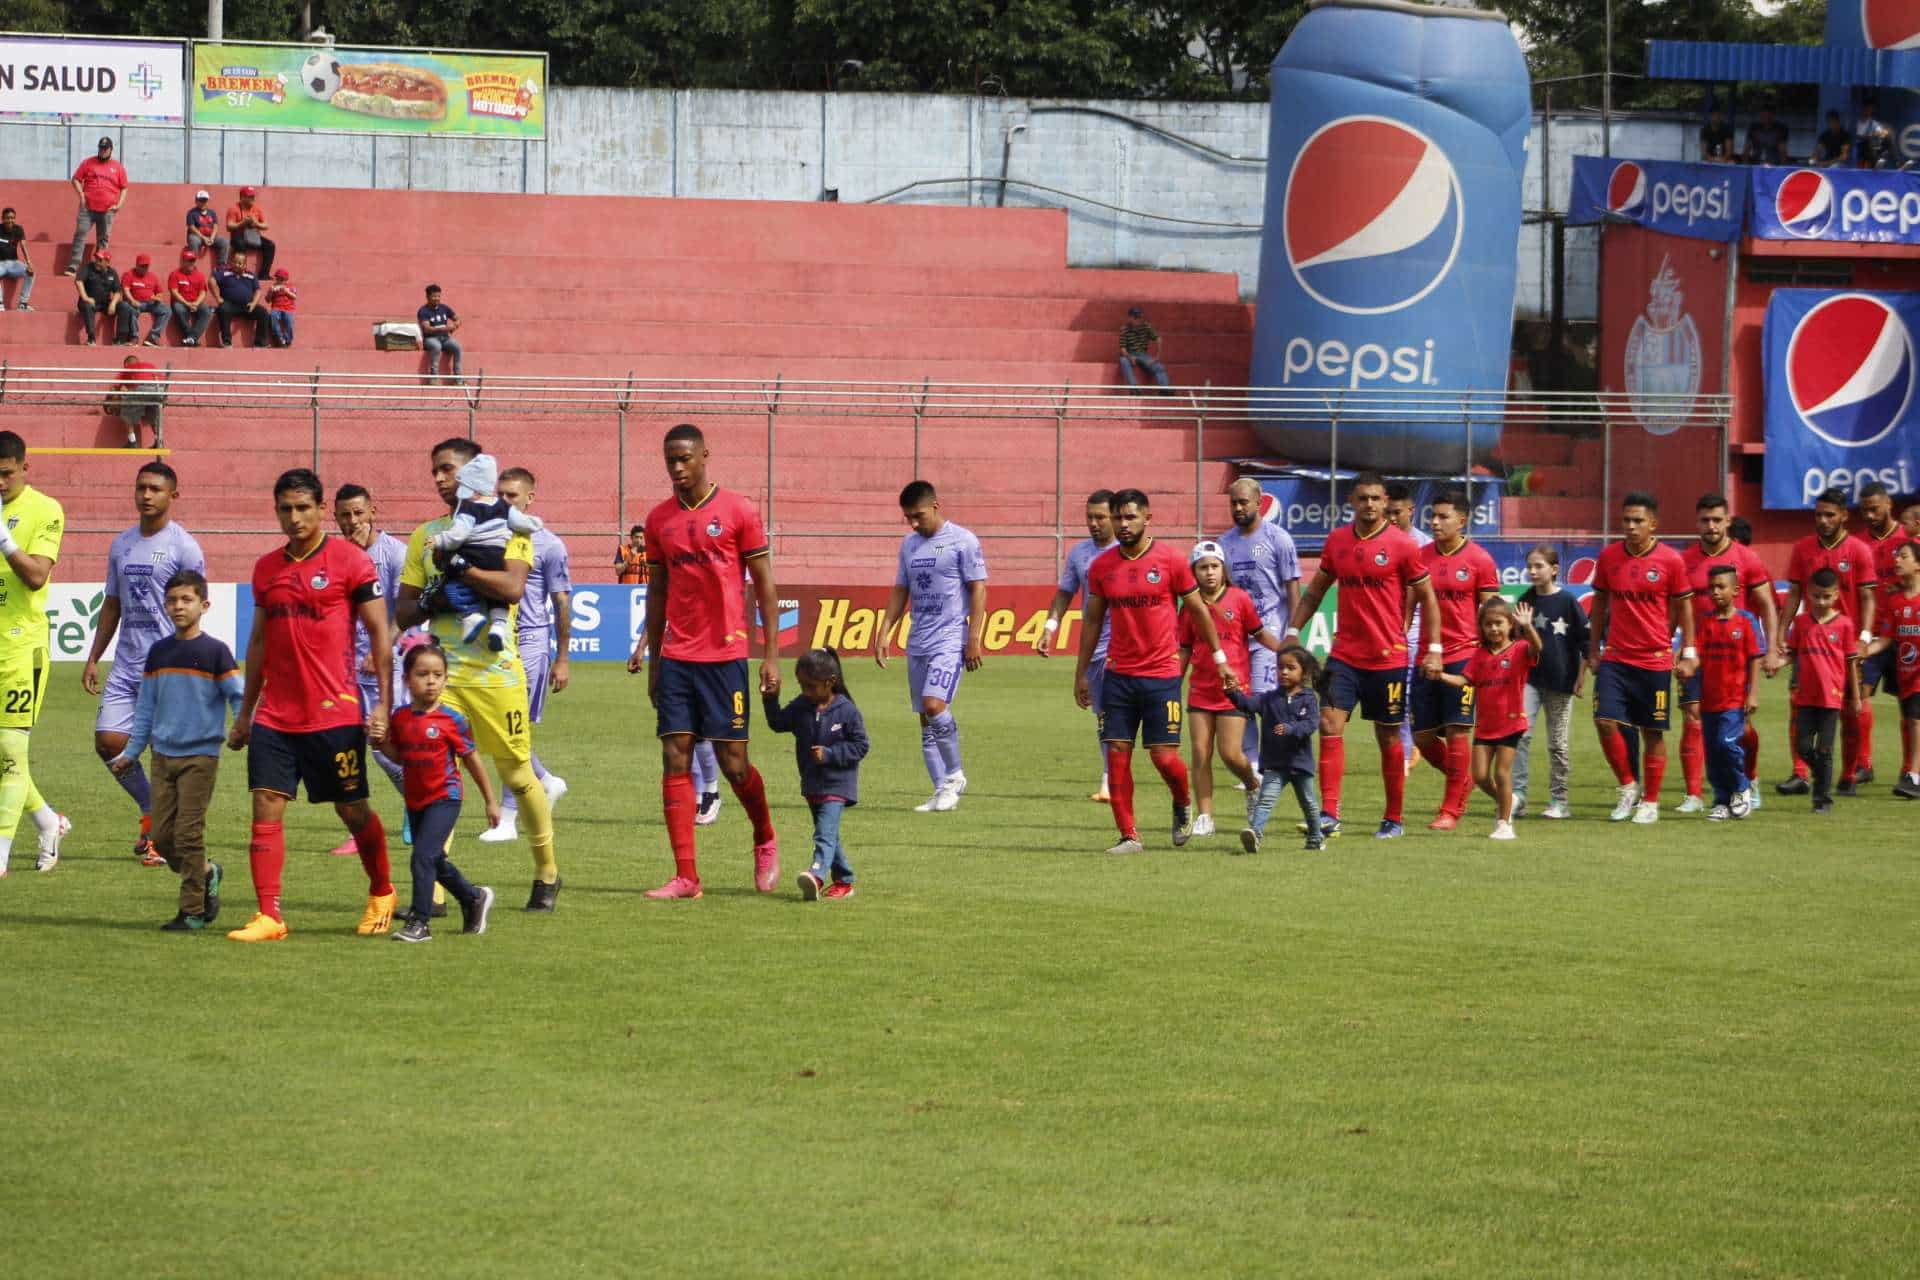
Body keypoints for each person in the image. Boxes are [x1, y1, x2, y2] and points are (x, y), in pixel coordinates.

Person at [224, 468, 396, 942]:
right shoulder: (266, 569)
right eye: (285, 509)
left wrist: (382, 704)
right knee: (265, 804)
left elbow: (381, 634)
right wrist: (245, 714)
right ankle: (269, 915)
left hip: (334, 713)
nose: (294, 517)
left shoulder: (351, 561)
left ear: (322, 509)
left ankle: (382, 891)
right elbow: (257, 642)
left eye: (303, 508)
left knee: (352, 810)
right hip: (275, 715)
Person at [396, 438, 562, 910]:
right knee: (431, 772)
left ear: (474, 475)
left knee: (518, 775)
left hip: (497, 673)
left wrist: (459, 570)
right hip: (440, 679)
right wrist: (436, 598)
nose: (439, 479)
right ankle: (432, 891)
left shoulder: (509, 525)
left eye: (447, 469)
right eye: (435, 471)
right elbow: (406, 609)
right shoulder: (426, 534)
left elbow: (510, 588)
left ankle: (547, 871)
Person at [633, 423, 782, 899]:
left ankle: (764, 836)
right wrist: (655, 657)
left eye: (685, 459)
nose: (677, 468)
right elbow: (657, 591)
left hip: (725, 655)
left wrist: (771, 655)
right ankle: (687, 877)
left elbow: (764, 585)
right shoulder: (658, 521)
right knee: (674, 753)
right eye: (670, 460)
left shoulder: (738, 510)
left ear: (704, 456)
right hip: (677, 654)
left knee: (734, 763)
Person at [1074, 488, 1235, 854]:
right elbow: (1092, 622)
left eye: (1130, 517)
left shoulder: (1171, 561)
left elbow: (1198, 611)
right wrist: (1081, 672)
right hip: (1118, 675)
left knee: (1163, 756)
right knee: (1116, 750)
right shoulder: (1101, 567)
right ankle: (1129, 835)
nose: (1123, 524)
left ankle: (1181, 802)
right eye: (1118, 518)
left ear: (1149, 518)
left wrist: (1220, 657)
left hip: (1162, 675)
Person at [1289, 472, 1442, 839]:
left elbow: (1428, 598)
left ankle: (1393, 818)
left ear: (1385, 501)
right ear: (1351, 501)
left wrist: (1433, 648)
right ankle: (1328, 814)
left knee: (1388, 738)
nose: (1370, 504)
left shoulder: (1403, 545)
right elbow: (1315, 592)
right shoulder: (1338, 541)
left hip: (1388, 658)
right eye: (1363, 498)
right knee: (1328, 724)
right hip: (1344, 655)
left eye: (1376, 498)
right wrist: (1293, 632)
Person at [81, 462, 205, 865]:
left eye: (155, 488)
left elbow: (192, 606)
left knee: (167, 755)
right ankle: (151, 809)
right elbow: (113, 603)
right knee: (109, 742)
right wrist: (94, 656)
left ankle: (161, 837)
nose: (146, 495)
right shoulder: (121, 544)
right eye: (141, 488)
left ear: (173, 495)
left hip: (169, 665)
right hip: (127, 664)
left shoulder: (184, 546)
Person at [107, 571, 241, 930]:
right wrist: (132, 752)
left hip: (201, 757)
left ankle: (193, 911)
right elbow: (146, 709)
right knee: (163, 840)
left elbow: (237, 695)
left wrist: (241, 728)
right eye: (172, 600)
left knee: (188, 833)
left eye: (186, 600)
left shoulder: (216, 652)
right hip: (162, 756)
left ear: (204, 605)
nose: (178, 606)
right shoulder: (159, 653)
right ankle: (208, 872)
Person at [1587, 492, 1698, 825]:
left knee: (1652, 732)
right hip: (1616, 658)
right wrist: (1593, 649)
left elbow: (1685, 607)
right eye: (1626, 520)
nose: (1631, 527)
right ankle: (1628, 786)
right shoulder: (1609, 557)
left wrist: (1689, 652)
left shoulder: (1671, 561)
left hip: (1655, 660)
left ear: (1653, 523)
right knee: (1604, 721)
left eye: (1638, 521)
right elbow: (1600, 606)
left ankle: (1650, 800)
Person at [877, 480, 987, 813]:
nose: (913, 523)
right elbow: (900, 590)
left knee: (934, 704)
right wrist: (885, 631)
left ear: (935, 506)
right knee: (925, 720)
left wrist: (974, 638)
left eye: (918, 515)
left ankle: (955, 776)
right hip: (918, 640)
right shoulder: (909, 546)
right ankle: (941, 790)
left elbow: (979, 589)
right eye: (908, 517)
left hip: (950, 638)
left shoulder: (962, 541)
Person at [478, 466, 571, 844]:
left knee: (512, 731)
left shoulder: (548, 545)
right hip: (495, 643)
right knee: (500, 730)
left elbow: (561, 601)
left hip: (530, 642)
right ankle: (546, 781)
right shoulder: (488, 539)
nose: (504, 502)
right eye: (500, 495)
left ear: (530, 498)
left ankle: (508, 820)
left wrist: (562, 658)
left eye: (512, 496)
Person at [386, 642, 499, 944]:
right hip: (416, 798)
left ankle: (419, 923)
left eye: (438, 674)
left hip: (445, 797)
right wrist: (377, 742)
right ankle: (473, 897)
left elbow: (472, 759)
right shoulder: (400, 718)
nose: (431, 680)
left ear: (446, 679)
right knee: (432, 860)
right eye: (423, 674)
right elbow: (400, 756)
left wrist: (490, 801)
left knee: (421, 857)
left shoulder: (452, 720)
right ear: (407, 679)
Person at [1676, 493, 1780, 814]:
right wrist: (1672, 647)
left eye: (1716, 520)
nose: (1711, 526)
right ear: (1697, 523)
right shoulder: (1685, 560)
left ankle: (1750, 778)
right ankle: (1695, 794)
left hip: (1735, 660)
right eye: (1705, 520)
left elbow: (1767, 607)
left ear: (1727, 521)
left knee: (1740, 729)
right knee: (1693, 719)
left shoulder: (1747, 559)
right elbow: (1676, 606)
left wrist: (1772, 648)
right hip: (1698, 653)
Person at [0, 432, 72, 876]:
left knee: (10, 749)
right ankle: (48, 821)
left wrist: (6, 543)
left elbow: (36, 577)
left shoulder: (45, 510)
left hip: (21, 650)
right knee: (6, 756)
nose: (0, 483)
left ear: (25, 468)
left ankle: (1, 853)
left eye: (6, 474)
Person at [1772, 487, 1875, 795]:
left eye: (1830, 515)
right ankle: (1800, 773)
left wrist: (1865, 637)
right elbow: (1793, 594)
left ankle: (1847, 775)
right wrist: (1781, 632)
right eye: (1818, 514)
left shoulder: (1858, 550)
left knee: (1850, 711)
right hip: (1810, 643)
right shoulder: (1803, 548)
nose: (1823, 520)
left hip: (1845, 644)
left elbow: (1868, 596)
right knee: (1797, 703)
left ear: (1844, 516)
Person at [328, 484, 412, 857]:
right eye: (345, 515)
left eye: (358, 514)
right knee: (346, 749)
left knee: (383, 746)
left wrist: (382, 649)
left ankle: (417, 803)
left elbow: (404, 611)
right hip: (344, 670)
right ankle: (361, 827)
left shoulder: (394, 553)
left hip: (384, 669)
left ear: (372, 511)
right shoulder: (335, 556)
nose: (352, 522)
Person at [1180, 541, 1283, 837]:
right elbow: (1185, 648)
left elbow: (1259, 633)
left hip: (1233, 689)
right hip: (1200, 689)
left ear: (1224, 569)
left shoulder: (1239, 599)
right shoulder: (1189, 605)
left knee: (1230, 753)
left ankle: (1252, 784)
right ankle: (1205, 817)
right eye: (1203, 567)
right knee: (1200, 753)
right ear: (1194, 572)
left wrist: (1287, 652)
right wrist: (1171, 683)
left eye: (1214, 566)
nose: (1209, 573)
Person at [1412, 488, 1500, 831]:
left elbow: (1492, 614)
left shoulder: (1480, 560)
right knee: (1421, 737)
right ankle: (1462, 778)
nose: (1435, 522)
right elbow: (1406, 607)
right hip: (1425, 657)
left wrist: (1489, 656)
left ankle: (1451, 809)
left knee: (1458, 731)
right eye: (1432, 516)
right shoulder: (1419, 557)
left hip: (1464, 657)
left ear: (1462, 520)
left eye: (1443, 516)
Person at [765, 647, 868, 900]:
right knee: (829, 834)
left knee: (824, 833)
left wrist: (831, 754)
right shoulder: (802, 706)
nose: (805, 692)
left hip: (837, 784)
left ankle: (817, 874)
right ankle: (844, 881)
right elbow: (778, 723)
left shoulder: (847, 711)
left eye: (810, 686)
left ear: (830, 682)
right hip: (812, 783)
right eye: (802, 686)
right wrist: (770, 699)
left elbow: (861, 746)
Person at [1217, 476, 1301, 781]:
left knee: (1267, 700)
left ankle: (1277, 758)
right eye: (1233, 503)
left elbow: (1292, 589)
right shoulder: (1224, 544)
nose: (1238, 508)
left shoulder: (1278, 539)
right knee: (1241, 699)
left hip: (1270, 633)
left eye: (1243, 502)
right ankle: (1253, 763)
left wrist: (1293, 633)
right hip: (1236, 638)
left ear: (1258, 502)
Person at [1435, 597, 1541, 839]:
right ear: (1481, 627)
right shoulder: (1479, 655)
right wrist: (1439, 676)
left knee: (1502, 774)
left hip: (1511, 722)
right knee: (1481, 776)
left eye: (1499, 623)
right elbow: (1463, 680)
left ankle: (1504, 824)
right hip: (1485, 725)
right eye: (1488, 624)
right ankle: (1509, 800)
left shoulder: (1520, 649)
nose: (1494, 628)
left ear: (1510, 624)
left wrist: (1529, 627)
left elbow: (1537, 648)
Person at [1037, 489, 1117, 800]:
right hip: (1094, 646)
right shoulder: (1080, 554)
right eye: (1090, 517)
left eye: (1101, 517)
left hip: (1122, 647)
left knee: (1112, 713)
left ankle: (1112, 777)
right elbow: (1065, 593)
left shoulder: (1125, 552)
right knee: (1101, 715)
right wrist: (1050, 628)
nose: (1094, 523)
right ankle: (1111, 773)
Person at [428, 453, 543, 652]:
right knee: (497, 598)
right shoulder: (505, 508)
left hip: (472, 554)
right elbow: (521, 522)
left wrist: (440, 541)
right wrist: (536, 523)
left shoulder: (468, 508)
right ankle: (498, 625)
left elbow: (458, 534)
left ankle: (470, 614)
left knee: (451, 583)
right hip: (496, 556)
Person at [1514, 545, 1587, 820]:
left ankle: (1559, 800)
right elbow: (1516, 644)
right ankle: (1518, 796)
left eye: (1539, 566)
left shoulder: (1568, 601)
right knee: (1520, 734)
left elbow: (1584, 641)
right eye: (1529, 566)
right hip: (1529, 679)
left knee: (1557, 743)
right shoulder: (1524, 600)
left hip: (1561, 680)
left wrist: (1580, 676)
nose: (1532, 571)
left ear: (1554, 569)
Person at [1227, 644, 1322, 852]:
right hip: (1275, 763)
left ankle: (1315, 838)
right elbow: (1248, 705)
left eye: (1290, 667)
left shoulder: (1309, 699)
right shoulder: (1269, 698)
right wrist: (1232, 692)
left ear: (1304, 672)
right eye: (1280, 667)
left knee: (1309, 803)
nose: (1284, 672)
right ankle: (1255, 835)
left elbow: (1311, 724)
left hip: (1300, 763)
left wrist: (1291, 729)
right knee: (1266, 800)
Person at [1783, 568, 1862, 813]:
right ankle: (1823, 775)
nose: (1821, 602)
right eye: (1816, 596)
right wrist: (1775, 662)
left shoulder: (1844, 625)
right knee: (1803, 746)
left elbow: (1850, 662)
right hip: (1806, 696)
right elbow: (1792, 654)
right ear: (1808, 594)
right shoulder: (1802, 622)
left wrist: (1856, 697)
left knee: (1824, 749)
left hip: (1831, 698)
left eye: (1826, 597)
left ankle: (1822, 799)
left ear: (1836, 595)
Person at [1695, 565, 1765, 821]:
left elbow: (1755, 658)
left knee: (1727, 744)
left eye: (1720, 586)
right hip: (1708, 700)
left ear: (1735, 590)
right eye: (1711, 587)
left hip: (1734, 700)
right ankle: (1721, 800)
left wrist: (1753, 693)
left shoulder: (1745, 621)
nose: (1715, 592)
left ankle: (1741, 787)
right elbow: (1697, 658)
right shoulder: (1706, 622)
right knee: (1712, 752)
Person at [1856, 481, 1913, 788]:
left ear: (1889, 504)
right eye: (1864, 509)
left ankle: (1909, 768)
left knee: (1909, 703)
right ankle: (1864, 764)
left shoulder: (1908, 544)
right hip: (1872, 634)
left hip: (1905, 634)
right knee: (1860, 694)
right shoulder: (1857, 544)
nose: (1869, 515)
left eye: (1874, 508)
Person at [1865, 541, 1920, 798]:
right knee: (1910, 721)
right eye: (1896, 557)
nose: (1896, 561)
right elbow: (1886, 639)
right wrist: (1863, 650)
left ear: (1918, 564)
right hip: (1906, 673)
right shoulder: (1895, 602)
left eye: (1904, 557)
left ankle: (1914, 776)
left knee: (1917, 720)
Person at [1387, 482, 1434, 771]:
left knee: (1418, 694)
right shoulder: (1380, 541)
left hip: (1420, 629)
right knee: (1398, 694)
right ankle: (1405, 752)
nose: (1391, 519)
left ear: (1410, 510)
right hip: (1392, 630)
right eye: (1387, 512)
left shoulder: (1425, 546)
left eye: (1397, 512)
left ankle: (1419, 742)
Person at [66, 136, 128, 273]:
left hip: (108, 209)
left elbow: (124, 187)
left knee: (103, 238)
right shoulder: (88, 163)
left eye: (105, 149)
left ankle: (99, 266)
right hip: (87, 207)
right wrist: (81, 193)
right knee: (80, 233)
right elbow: (75, 179)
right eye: (101, 148)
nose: (103, 151)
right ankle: (74, 265)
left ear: (111, 150)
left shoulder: (118, 167)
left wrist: (119, 204)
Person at [104, 356, 166, 448]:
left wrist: (109, 401)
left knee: (126, 408)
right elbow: (163, 380)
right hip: (160, 391)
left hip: (143, 388)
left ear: (126, 364)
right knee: (152, 414)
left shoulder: (128, 368)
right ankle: (159, 442)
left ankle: (132, 441)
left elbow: (114, 388)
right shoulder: (150, 365)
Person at [211, 258, 269, 348]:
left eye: (240, 263)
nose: (237, 265)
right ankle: (227, 342)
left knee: (263, 313)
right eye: (235, 262)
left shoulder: (251, 276)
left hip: (247, 306)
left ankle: (260, 343)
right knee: (223, 309)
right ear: (232, 263)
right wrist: (218, 298)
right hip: (230, 305)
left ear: (245, 265)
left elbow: (258, 291)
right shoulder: (225, 273)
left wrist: (253, 303)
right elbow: (211, 281)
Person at [117, 252, 167, 346]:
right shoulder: (129, 274)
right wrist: (132, 301)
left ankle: (153, 336)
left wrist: (158, 298)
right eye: (142, 266)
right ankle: (134, 337)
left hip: (151, 303)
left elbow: (160, 292)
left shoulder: (152, 276)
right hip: (137, 302)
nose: (145, 268)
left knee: (166, 310)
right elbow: (126, 290)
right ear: (137, 265)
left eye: (146, 266)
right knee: (132, 309)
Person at [74, 249, 121, 347]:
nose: (97, 261)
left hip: (105, 303)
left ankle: (120, 338)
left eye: (100, 260)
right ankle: (91, 338)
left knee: (124, 306)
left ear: (107, 262)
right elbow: (78, 281)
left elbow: (117, 291)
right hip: (89, 301)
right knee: (87, 305)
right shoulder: (88, 268)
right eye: (96, 259)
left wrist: (113, 303)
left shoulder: (112, 272)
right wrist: (85, 297)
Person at [224, 185, 274, 276]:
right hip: (238, 236)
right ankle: (242, 270)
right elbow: (229, 226)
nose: (252, 198)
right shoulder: (233, 209)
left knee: (270, 245)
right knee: (240, 244)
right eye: (249, 196)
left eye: (253, 196)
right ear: (242, 197)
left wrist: (256, 224)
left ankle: (264, 274)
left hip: (253, 236)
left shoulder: (257, 209)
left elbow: (266, 225)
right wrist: (242, 223)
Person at [166, 248, 212, 347]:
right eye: (189, 261)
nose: (192, 263)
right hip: (181, 302)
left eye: (193, 261)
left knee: (206, 311)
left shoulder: (199, 275)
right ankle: (191, 337)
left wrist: (196, 303)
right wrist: (187, 303)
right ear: (183, 261)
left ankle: (192, 337)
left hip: (195, 302)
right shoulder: (175, 274)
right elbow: (174, 292)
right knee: (179, 309)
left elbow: (203, 292)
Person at [1118, 306, 1170, 390]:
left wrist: (1157, 357)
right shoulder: (1124, 329)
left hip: (1143, 355)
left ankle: (1165, 389)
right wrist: (1130, 357)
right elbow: (1123, 348)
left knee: (1159, 367)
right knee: (1123, 360)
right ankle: (1134, 388)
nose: (1138, 320)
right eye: (1135, 317)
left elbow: (1159, 340)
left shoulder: (1145, 326)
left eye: (1139, 317)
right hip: (1130, 354)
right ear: (1130, 318)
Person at [419, 284, 462, 382]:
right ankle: (433, 377)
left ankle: (458, 378)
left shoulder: (444, 308)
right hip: (430, 339)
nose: (437, 298)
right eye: (434, 296)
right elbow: (427, 329)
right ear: (427, 297)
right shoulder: (423, 311)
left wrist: (455, 325)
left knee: (457, 347)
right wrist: (444, 328)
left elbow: (457, 319)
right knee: (436, 346)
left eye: (438, 296)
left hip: (445, 338)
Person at [0, 205, 36, 311]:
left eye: (12, 218)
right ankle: (0, 303)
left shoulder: (18, 229)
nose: (10, 220)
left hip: (13, 264)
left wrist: (29, 263)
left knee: (31, 273)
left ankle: (23, 303)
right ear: (2, 218)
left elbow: (23, 246)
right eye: (7, 218)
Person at [184, 190, 228, 265]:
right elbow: (192, 227)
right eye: (200, 200)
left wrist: (212, 238)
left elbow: (215, 226)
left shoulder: (212, 212)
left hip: (210, 236)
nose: (203, 202)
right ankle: (192, 264)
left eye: (204, 200)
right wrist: (203, 238)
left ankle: (222, 265)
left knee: (224, 242)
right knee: (193, 240)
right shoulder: (191, 213)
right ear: (196, 201)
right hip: (197, 237)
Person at [1856, 100, 1893, 168]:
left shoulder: (1873, 122)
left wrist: (1884, 133)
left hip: (1873, 145)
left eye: (1870, 110)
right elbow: (1858, 136)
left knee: (1888, 137)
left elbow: (1880, 131)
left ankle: (1897, 163)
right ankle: (1875, 162)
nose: (1869, 112)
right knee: (1870, 141)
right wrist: (1871, 136)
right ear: (1863, 109)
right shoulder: (1858, 122)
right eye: (1867, 109)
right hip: (1862, 146)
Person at [265, 267, 297, 347]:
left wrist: (286, 291)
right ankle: (279, 338)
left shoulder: (290, 287)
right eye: (278, 279)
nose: (280, 281)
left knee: (289, 322)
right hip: (276, 307)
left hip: (288, 308)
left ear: (286, 280)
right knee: (273, 317)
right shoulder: (273, 287)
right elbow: (267, 300)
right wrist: (271, 293)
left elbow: (294, 297)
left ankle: (288, 340)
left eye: (282, 279)